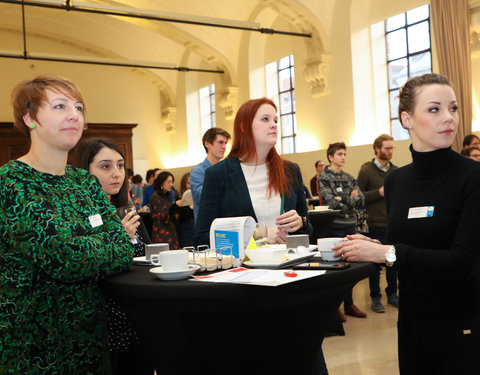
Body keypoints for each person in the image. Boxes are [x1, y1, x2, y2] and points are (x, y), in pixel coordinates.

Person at [334, 73, 480, 375]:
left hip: (462, 327)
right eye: (434, 109)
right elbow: (408, 247)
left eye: (452, 108)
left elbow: (463, 262)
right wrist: (375, 247)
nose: (448, 118)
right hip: (412, 325)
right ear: (407, 119)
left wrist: (386, 253)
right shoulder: (398, 181)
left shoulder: (472, 177)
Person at [0, 75, 134, 373]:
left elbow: (125, 248)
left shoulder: (85, 182)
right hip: (34, 345)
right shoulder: (11, 182)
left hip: (90, 341)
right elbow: (67, 259)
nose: (74, 114)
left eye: (79, 107)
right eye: (59, 106)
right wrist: (107, 244)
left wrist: (102, 246)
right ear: (29, 118)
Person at [71, 137, 153, 375]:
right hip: (104, 323)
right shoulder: (78, 217)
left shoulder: (126, 210)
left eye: (120, 166)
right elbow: (90, 264)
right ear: (84, 171)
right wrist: (121, 236)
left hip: (137, 315)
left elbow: (147, 254)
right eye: (105, 166)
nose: (116, 173)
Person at [318, 142, 367, 320]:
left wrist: (342, 199)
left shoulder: (349, 177)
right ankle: (334, 307)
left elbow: (361, 200)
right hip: (333, 227)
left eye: (345, 154)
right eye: (339, 154)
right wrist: (349, 198)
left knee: (349, 268)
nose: (343, 157)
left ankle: (349, 304)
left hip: (350, 226)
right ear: (330, 157)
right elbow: (330, 202)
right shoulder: (323, 177)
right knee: (334, 270)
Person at [357, 134, 398, 313]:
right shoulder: (366, 172)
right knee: (375, 263)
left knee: (392, 261)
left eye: (392, 148)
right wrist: (378, 193)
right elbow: (358, 198)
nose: (390, 151)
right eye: (387, 148)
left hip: (393, 223)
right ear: (377, 149)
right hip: (375, 223)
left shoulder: (395, 171)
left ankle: (392, 294)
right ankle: (375, 297)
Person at [190, 127, 231, 223]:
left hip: (228, 224)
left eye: (225, 143)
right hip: (207, 227)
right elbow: (204, 198)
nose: (224, 147)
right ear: (207, 143)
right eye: (220, 142)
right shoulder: (197, 172)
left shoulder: (228, 170)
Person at [150, 171, 180, 248]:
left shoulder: (167, 197)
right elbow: (163, 217)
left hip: (171, 232)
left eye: (172, 182)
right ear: (161, 183)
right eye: (169, 182)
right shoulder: (155, 198)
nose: (171, 185)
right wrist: (175, 206)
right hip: (162, 234)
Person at [177, 171, 195, 248]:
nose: (191, 186)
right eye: (188, 183)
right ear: (184, 185)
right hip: (186, 233)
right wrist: (189, 208)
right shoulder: (179, 200)